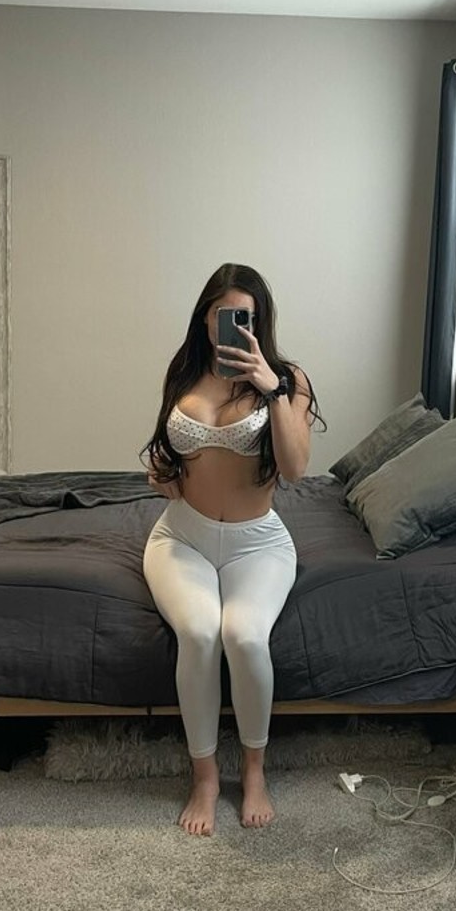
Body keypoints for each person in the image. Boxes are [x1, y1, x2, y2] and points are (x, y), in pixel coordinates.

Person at [140, 264, 324, 836]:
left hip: (257, 545)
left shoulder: (288, 379)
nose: (236, 328)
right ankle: (205, 779)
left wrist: (273, 389)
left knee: (243, 635)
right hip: (182, 537)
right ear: (206, 317)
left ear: (261, 321)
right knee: (199, 632)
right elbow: (170, 460)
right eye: (225, 316)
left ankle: (254, 770)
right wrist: (162, 475)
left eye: (247, 317)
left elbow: (295, 467)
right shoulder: (184, 371)